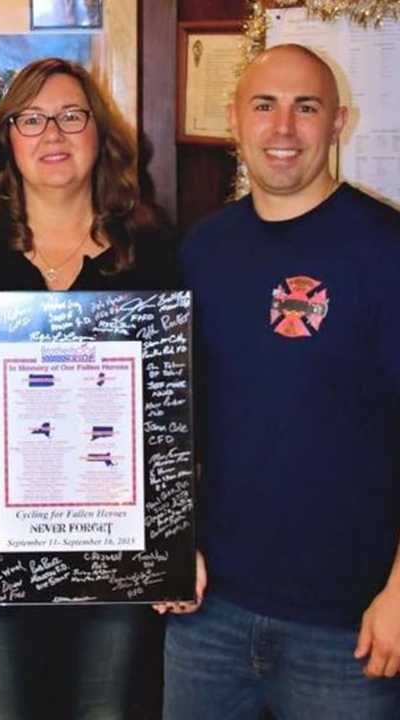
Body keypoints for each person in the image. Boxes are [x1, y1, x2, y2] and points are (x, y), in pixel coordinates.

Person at [0, 57, 179, 720]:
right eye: (31, 118)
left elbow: (173, 412)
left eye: (71, 116)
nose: (53, 133)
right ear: (7, 139)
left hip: (116, 559)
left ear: (99, 136)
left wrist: (176, 540)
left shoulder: (151, 250)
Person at [163, 43, 400, 719]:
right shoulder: (202, 250)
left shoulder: (386, 251)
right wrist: (169, 545)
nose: (284, 128)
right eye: (264, 107)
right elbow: (176, 418)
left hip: (348, 627)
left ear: (339, 122)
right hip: (210, 612)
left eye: (306, 107)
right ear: (236, 120)